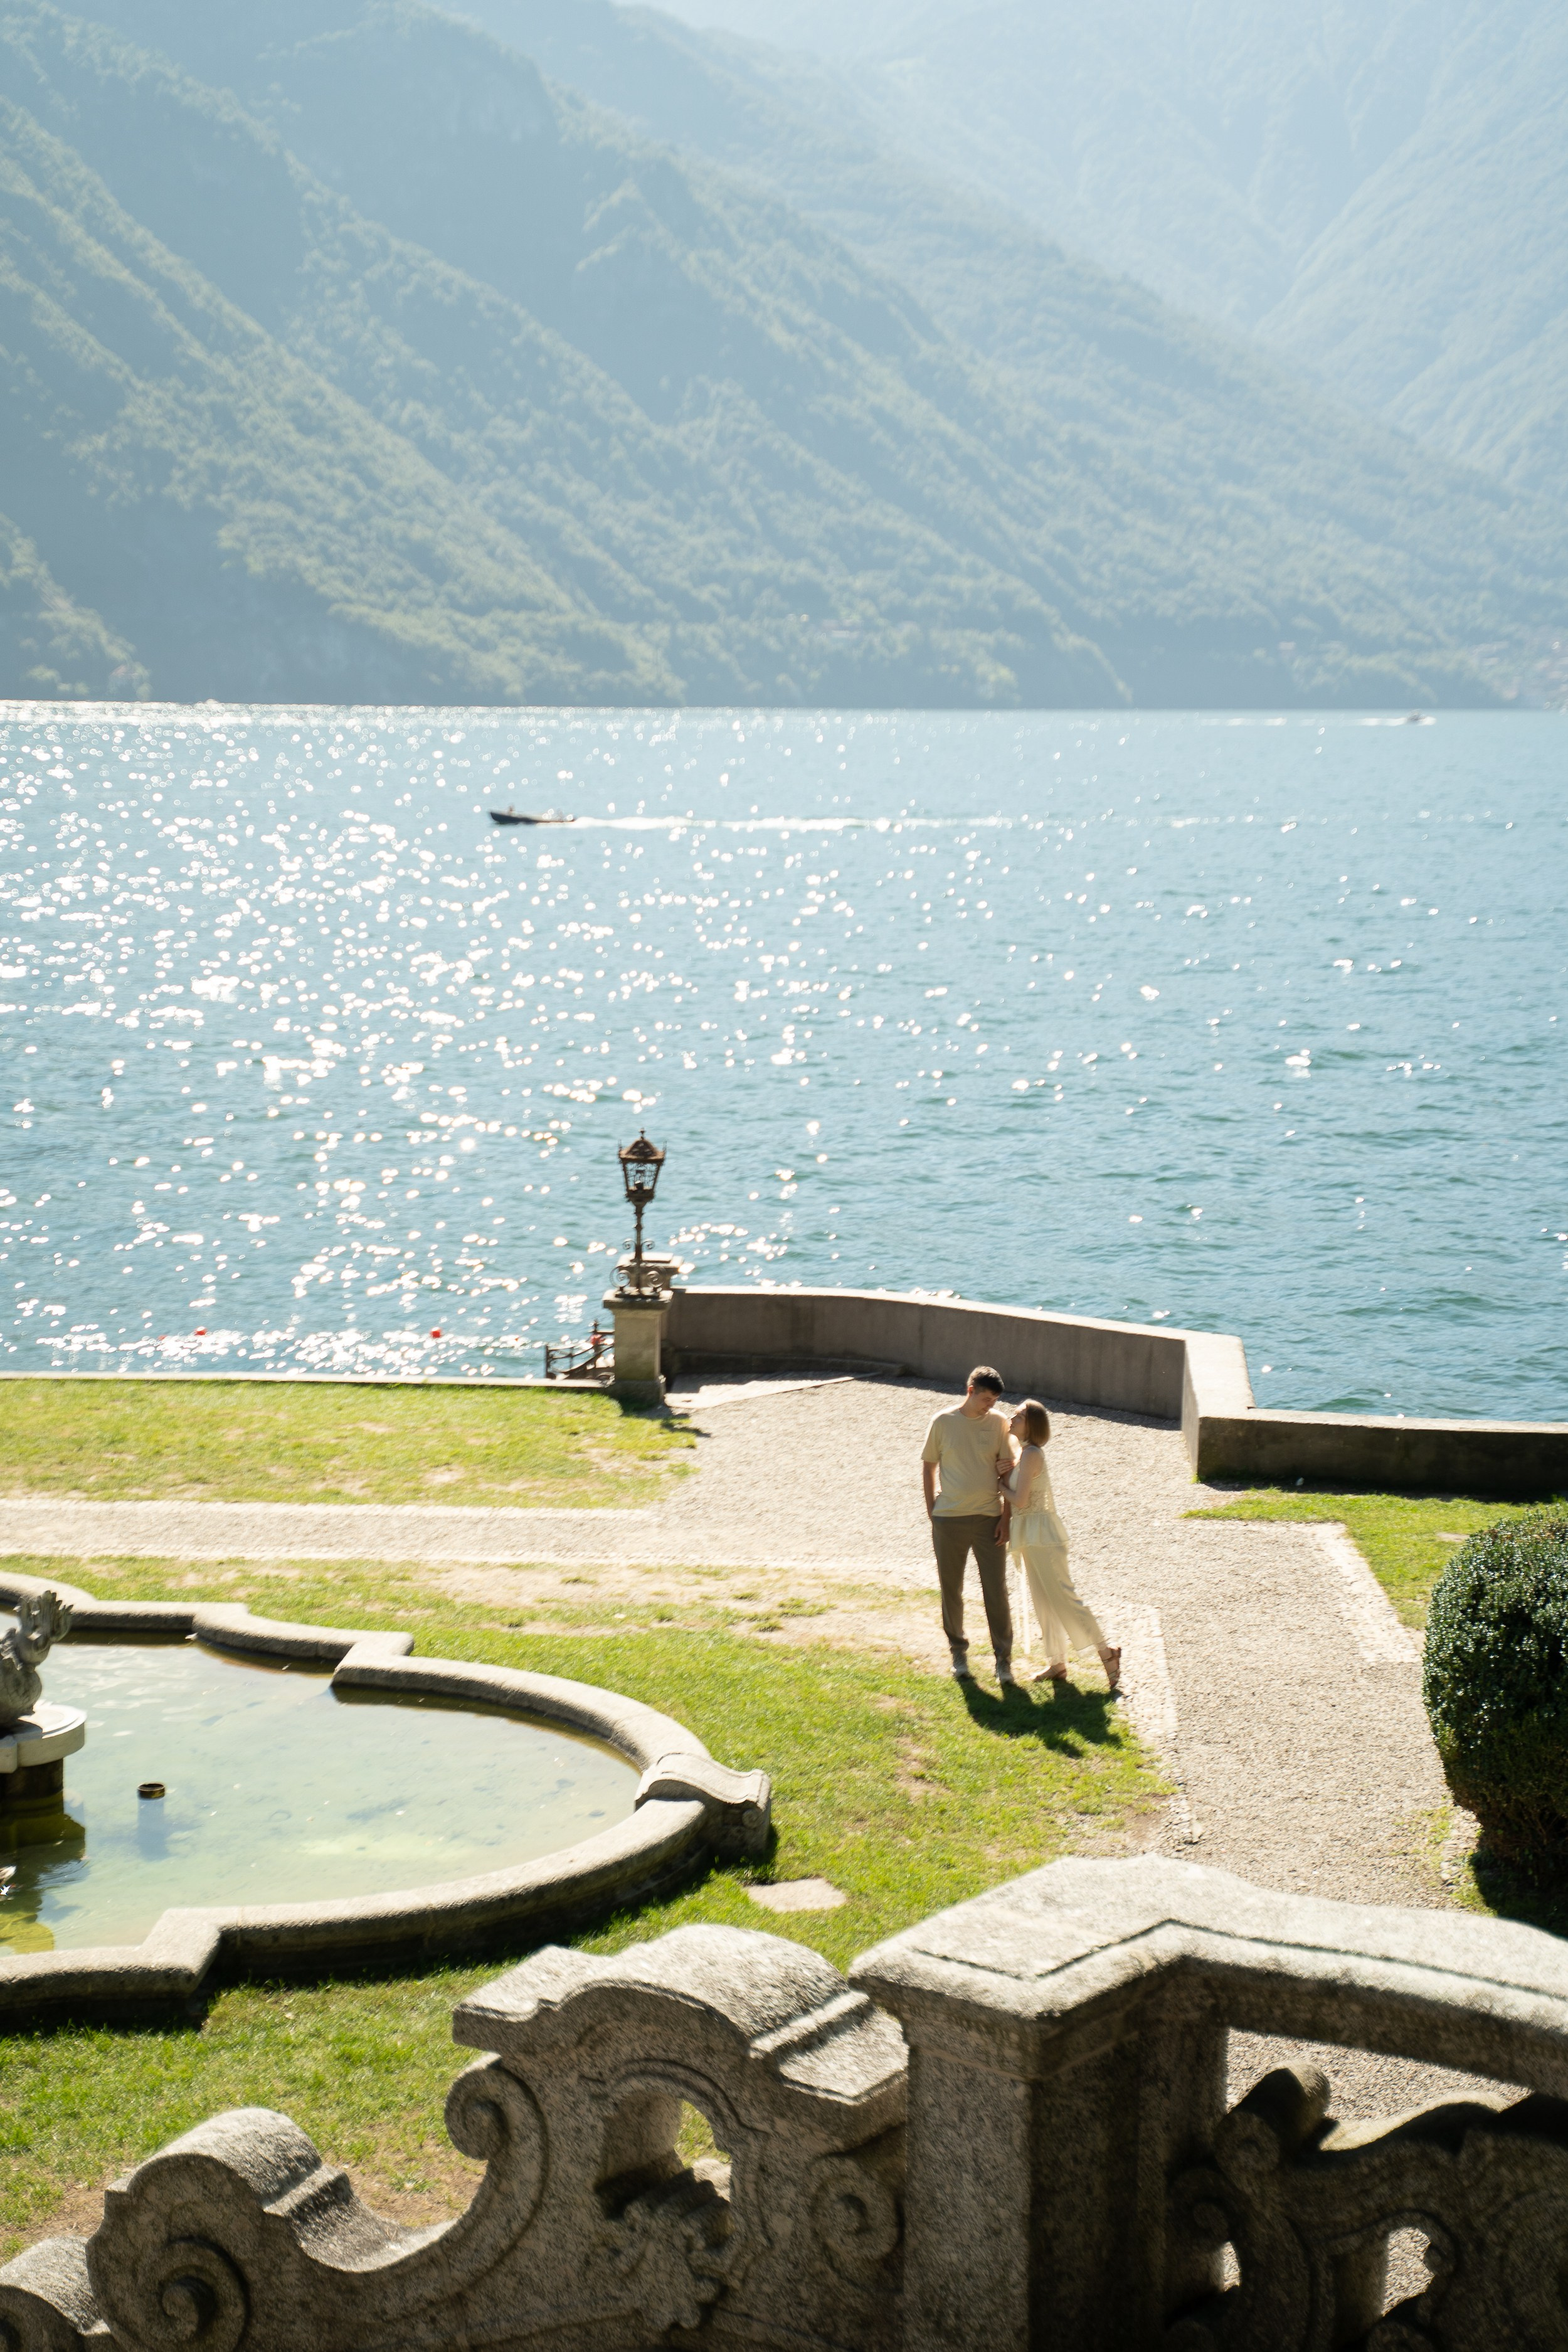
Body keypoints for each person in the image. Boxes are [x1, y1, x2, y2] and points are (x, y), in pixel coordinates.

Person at [1004, 1399, 1120, 1692]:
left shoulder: (1032, 1454)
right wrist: (1004, 1475)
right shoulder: (1022, 1453)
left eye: (1018, 1416)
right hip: (1031, 1535)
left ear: (1031, 1425)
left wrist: (997, 1483)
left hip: (1042, 1536)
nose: (1012, 1418)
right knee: (1043, 1600)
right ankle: (1057, 1663)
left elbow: (1020, 1500)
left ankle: (1107, 1653)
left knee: (1064, 1599)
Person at [921, 1366, 1016, 1685]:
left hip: (990, 1519)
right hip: (949, 1519)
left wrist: (1006, 1518)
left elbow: (1008, 1474)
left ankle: (1003, 1660)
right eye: (987, 1399)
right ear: (971, 1390)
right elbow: (929, 1466)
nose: (991, 1405)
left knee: (996, 1591)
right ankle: (958, 1652)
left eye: (995, 1400)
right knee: (952, 1589)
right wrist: (932, 1510)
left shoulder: (1000, 1423)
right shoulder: (942, 1422)